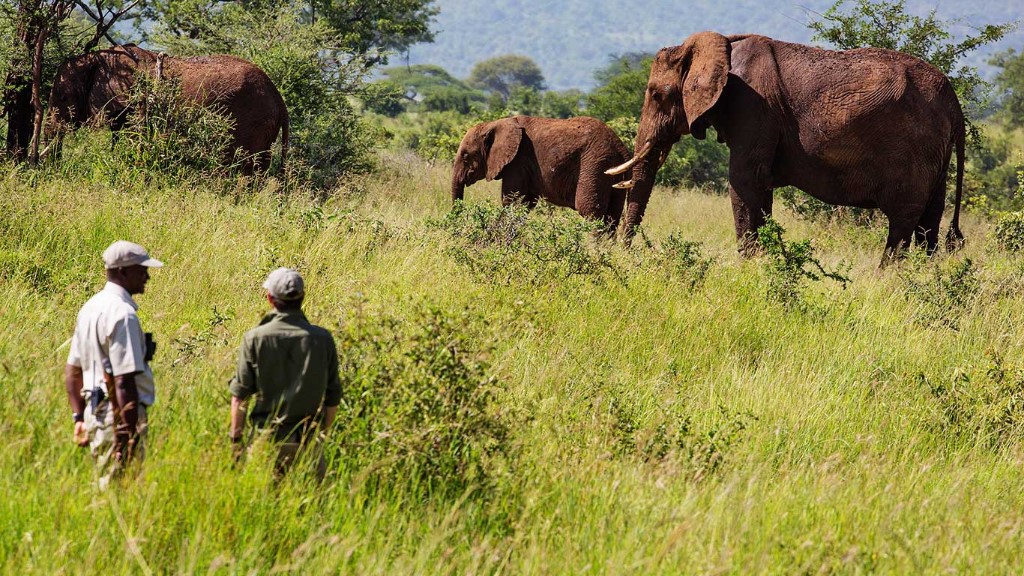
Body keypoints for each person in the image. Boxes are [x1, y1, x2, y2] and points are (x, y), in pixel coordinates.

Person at [65, 240, 163, 488]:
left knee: (105, 486)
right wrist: (127, 436)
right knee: (121, 491)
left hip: (94, 414)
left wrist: (79, 417)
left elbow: (73, 372)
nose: (147, 276)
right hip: (117, 417)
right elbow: (123, 380)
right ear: (123, 271)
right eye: (142, 269)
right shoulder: (123, 315)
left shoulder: (89, 308)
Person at [229, 267, 341, 479]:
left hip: (266, 442)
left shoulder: (254, 338)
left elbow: (239, 398)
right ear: (302, 297)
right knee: (312, 508)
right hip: (307, 444)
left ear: (270, 299)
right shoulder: (323, 339)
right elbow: (333, 398)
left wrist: (236, 442)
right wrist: (318, 434)